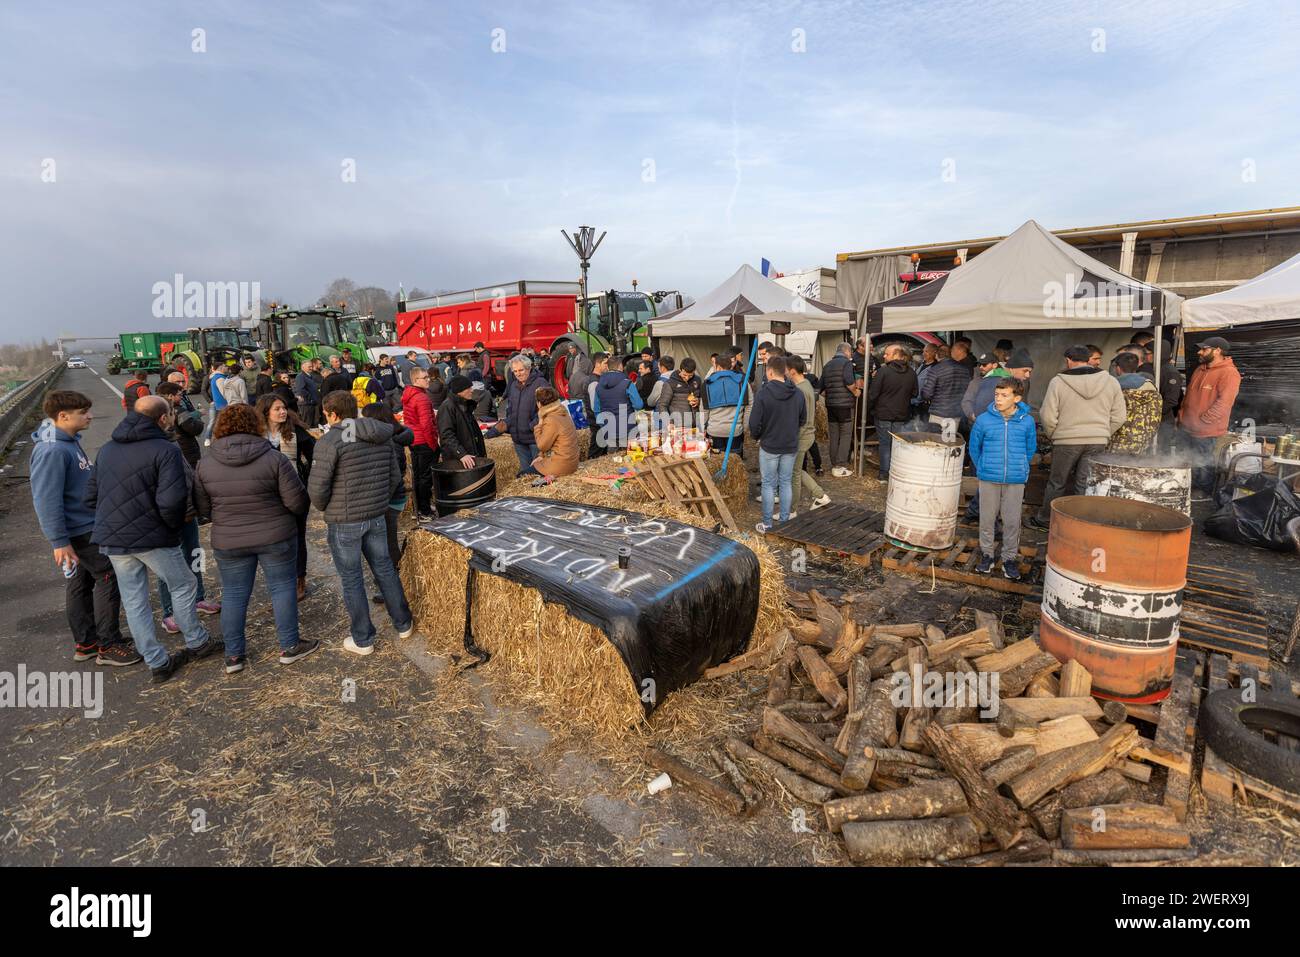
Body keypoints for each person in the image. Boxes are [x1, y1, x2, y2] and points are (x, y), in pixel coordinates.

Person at [86, 396, 220, 682]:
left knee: (134, 600)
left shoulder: (108, 449)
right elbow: (172, 501)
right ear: (163, 418)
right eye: (170, 413)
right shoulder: (165, 450)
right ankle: (197, 641)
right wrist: (169, 529)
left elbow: (91, 496)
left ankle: (156, 661)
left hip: (113, 538)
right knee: (184, 584)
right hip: (152, 536)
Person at [194, 404, 312, 673]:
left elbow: (203, 510)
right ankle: (289, 646)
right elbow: (298, 502)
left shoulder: (206, 463)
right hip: (275, 535)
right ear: (255, 425)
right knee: (282, 588)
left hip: (229, 538)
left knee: (234, 595)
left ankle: (234, 655)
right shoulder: (274, 459)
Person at [29, 391, 140, 666]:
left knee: (80, 582)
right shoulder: (52, 450)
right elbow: (46, 499)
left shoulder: (66, 442)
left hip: (82, 526)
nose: (90, 416)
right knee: (107, 576)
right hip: (81, 530)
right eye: (83, 412)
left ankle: (87, 642)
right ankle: (108, 644)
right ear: (63, 416)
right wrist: (58, 541)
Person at [308, 391, 413, 655]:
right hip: (375, 515)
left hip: (345, 521)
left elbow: (318, 488)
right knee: (385, 569)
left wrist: (325, 506)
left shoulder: (330, 441)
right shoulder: (381, 435)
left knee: (352, 578)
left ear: (332, 414)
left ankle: (363, 638)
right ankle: (403, 622)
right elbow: (394, 476)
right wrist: (378, 501)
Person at [1027, 345, 1127, 530]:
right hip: (1097, 440)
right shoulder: (1111, 382)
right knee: (1084, 482)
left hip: (1066, 441)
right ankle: (1078, 522)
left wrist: (1054, 435)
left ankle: (1046, 520)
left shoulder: (1058, 382)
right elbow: (1120, 416)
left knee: (1057, 482)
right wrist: (1103, 432)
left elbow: (1047, 415)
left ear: (1068, 360)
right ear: (1089, 359)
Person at [155, 382, 220, 628]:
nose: (175, 418)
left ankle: (198, 597)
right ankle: (170, 611)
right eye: (172, 415)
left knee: (194, 553)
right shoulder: (153, 446)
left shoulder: (171, 441)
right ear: (163, 418)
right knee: (169, 563)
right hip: (168, 517)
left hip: (187, 512)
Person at [969, 378, 1036, 581]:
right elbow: (974, 447)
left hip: (1015, 479)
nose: (998, 399)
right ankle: (987, 555)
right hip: (989, 476)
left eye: (1004, 395)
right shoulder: (983, 420)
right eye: (997, 395)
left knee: (1012, 521)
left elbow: (1030, 448)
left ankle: (1008, 558)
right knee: (987, 519)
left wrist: (1021, 466)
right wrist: (983, 466)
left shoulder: (1027, 421)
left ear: (1016, 398)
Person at [256, 394, 316, 599]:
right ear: (265, 412)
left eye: (283, 408)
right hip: (268, 496)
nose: (282, 412)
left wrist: (306, 479)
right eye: (277, 409)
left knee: (297, 536)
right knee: (274, 539)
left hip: (295, 492)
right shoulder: (256, 435)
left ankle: (300, 578)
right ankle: (281, 578)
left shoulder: (296, 432)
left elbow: (313, 455)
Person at [362, 403, 414, 602]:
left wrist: (379, 499)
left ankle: (394, 585)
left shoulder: (388, 442)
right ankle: (393, 579)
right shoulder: (394, 436)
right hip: (392, 496)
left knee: (386, 544)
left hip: (388, 498)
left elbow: (393, 475)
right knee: (387, 542)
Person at [1178, 335, 1242, 498]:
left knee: (1204, 462)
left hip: (1207, 430)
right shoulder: (1200, 369)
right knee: (1188, 460)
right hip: (1187, 426)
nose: (1200, 352)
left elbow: (1225, 402)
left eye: (1204, 349)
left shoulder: (1229, 373)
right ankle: (1187, 488)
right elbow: (1188, 397)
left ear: (1218, 350)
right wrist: (1181, 416)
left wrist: (1204, 420)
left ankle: (1204, 493)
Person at [750, 356, 806, 533]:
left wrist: (758, 435)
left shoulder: (764, 393)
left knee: (768, 484)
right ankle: (784, 522)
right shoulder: (797, 393)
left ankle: (767, 524)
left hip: (770, 445)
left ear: (770, 371)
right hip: (790, 444)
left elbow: (754, 423)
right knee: (785, 482)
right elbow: (802, 419)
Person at [868, 343, 919, 482]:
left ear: (896, 355)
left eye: (887, 354)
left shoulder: (883, 371)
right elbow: (915, 393)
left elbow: (873, 394)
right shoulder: (912, 373)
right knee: (897, 445)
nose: (884, 356)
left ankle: (884, 474)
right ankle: (896, 473)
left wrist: (870, 409)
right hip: (901, 414)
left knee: (885, 444)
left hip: (883, 414)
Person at [787, 355, 831, 510]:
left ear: (792, 371)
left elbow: (800, 418)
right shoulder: (807, 385)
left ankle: (791, 510)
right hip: (807, 434)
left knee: (795, 474)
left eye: (786, 370)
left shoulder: (799, 390)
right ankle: (820, 495)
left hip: (801, 436)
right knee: (796, 470)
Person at [494, 354, 545, 476]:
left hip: (534, 439)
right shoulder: (513, 386)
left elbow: (546, 410)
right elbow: (510, 411)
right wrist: (499, 429)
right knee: (525, 476)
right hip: (519, 440)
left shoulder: (540, 383)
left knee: (539, 473)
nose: (518, 373)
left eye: (521, 370)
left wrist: (531, 426)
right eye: (515, 371)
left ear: (529, 368)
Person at [1107, 352, 1162, 455]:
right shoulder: (1152, 389)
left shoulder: (1113, 388)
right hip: (1142, 444)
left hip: (1116, 445)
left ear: (1118, 368)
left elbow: (1114, 419)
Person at [402, 365, 439, 518]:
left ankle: (419, 507)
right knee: (425, 477)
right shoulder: (421, 398)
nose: (428, 379)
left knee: (418, 475)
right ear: (416, 380)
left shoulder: (409, 394)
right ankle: (424, 510)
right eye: (425, 378)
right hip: (423, 441)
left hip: (414, 440)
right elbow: (426, 424)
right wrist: (433, 444)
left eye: (428, 377)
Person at [702, 351, 749, 459]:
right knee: (735, 464)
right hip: (735, 431)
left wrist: (702, 429)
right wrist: (745, 427)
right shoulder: (742, 382)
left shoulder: (707, 384)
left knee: (717, 462)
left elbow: (704, 410)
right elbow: (749, 406)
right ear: (731, 365)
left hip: (714, 431)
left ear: (717, 366)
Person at [592, 353, 644, 450]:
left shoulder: (599, 386)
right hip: (628, 429)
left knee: (614, 462)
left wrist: (604, 426)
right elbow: (638, 405)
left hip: (609, 430)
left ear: (608, 367)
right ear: (620, 366)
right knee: (632, 459)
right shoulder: (628, 383)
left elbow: (596, 410)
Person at [820, 342, 857, 476]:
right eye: (851, 352)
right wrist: (855, 391)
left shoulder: (827, 365)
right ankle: (840, 466)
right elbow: (848, 381)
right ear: (846, 351)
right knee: (846, 434)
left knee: (834, 435)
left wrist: (831, 396)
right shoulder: (846, 363)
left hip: (831, 405)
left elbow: (821, 388)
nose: (851, 354)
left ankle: (834, 463)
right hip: (845, 405)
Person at [920, 341, 972, 436]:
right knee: (948, 444)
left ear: (936, 355)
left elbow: (927, 394)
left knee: (935, 444)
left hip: (938, 413)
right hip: (955, 413)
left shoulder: (935, 369)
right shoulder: (964, 369)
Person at [531, 386, 579, 481]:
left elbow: (542, 445)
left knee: (521, 475)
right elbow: (553, 442)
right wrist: (541, 456)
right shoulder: (562, 412)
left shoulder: (551, 420)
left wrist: (539, 424)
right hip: (571, 462)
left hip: (561, 465)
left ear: (539, 404)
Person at [438, 375, 488, 466]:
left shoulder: (465, 405)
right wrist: (461, 454)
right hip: (457, 460)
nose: (472, 390)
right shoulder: (447, 407)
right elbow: (446, 435)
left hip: (470, 456)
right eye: (468, 388)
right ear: (459, 391)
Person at [961, 353, 1008, 423]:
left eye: (984, 365)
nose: (981, 367)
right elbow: (966, 401)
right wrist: (973, 416)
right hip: (978, 424)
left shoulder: (1005, 380)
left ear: (994, 365)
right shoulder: (976, 382)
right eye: (979, 364)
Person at [659, 356, 702, 431]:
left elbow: (703, 398)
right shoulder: (670, 383)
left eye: (690, 375)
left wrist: (698, 401)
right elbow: (662, 405)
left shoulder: (697, 380)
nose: (687, 378)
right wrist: (668, 422)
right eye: (684, 375)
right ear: (680, 370)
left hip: (696, 425)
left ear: (694, 371)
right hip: (678, 426)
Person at [582, 353, 610, 458]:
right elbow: (595, 407)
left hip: (599, 421)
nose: (607, 366)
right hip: (598, 422)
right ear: (598, 364)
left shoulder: (597, 379)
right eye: (605, 363)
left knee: (602, 452)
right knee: (595, 453)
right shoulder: (594, 382)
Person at [294, 357, 322, 428]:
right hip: (306, 404)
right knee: (307, 424)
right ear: (303, 367)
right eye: (309, 367)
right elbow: (301, 390)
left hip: (312, 404)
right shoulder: (300, 376)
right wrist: (311, 398)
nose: (311, 368)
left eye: (311, 366)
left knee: (313, 424)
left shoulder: (310, 376)